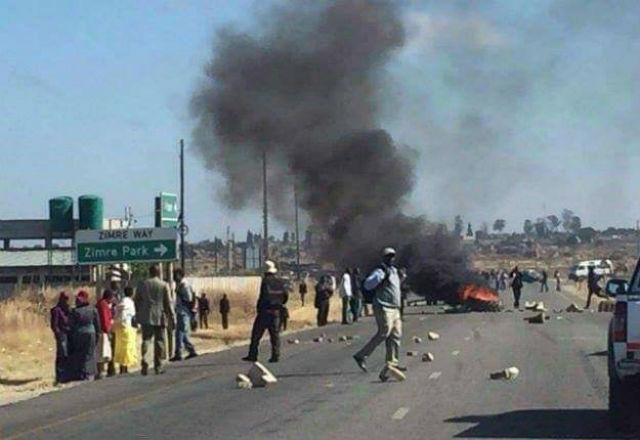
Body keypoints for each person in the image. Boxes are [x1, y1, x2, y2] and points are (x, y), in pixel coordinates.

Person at [353, 247, 405, 381]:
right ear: (384, 258)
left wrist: (402, 278)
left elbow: (394, 288)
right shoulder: (381, 271)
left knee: (396, 335)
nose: (391, 259)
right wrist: (379, 278)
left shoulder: (394, 271)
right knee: (384, 331)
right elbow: (368, 285)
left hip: (395, 308)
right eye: (388, 256)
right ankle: (361, 355)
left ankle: (391, 365)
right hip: (383, 306)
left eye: (393, 256)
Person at [243, 260, 288, 363]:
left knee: (256, 335)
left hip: (265, 312)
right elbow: (285, 296)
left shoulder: (265, 282)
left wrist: (259, 308)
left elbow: (263, 297)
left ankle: (252, 355)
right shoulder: (280, 282)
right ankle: (275, 355)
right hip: (276, 311)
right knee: (275, 335)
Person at [135, 264, 175, 375]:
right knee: (160, 341)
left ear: (150, 272)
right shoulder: (163, 285)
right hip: (160, 316)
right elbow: (168, 302)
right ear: (158, 273)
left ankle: (145, 361)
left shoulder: (142, 284)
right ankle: (158, 365)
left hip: (146, 316)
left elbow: (137, 300)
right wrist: (172, 316)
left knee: (146, 339)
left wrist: (138, 313)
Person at [68, 290, 101, 381]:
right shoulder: (93, 310)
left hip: (79, 334)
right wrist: (97, 336)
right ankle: (90, 373)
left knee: (80, 354)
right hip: (91, 333)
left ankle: (82, 373)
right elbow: (97, 325)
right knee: (90, 354)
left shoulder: (75, 311)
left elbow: (71, 325)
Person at [171, 268, 198, 362]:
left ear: (180, 275)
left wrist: (191, 313)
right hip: (181, 310)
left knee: (180, 332)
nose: (173, 277)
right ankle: (191, 350)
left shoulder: (184, 285)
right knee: (182, 333)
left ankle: (178, 353)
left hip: (184, 311)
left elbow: (189, 299)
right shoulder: (180, 284)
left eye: (175, 274)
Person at [113, 286, 137, 374]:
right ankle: (125, 367)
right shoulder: (130, 303)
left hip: (119, 327)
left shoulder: (121, 301)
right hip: (127, 326)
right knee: (127, 347)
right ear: (132, 293)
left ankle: (122, 366)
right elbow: (132, 314)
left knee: (120, 347)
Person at [50, 292, 71, 384]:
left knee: (67, 355)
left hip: (68, 333)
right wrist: (58, 334)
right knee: (61, 355)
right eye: (65, 299)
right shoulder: (56, 310)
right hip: (62, 334)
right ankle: (59, 377)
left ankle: (67, 375)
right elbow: (54, 325)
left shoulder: (67, 309)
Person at [95, 290, 115, 379]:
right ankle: (100, 372)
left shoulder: (102, 304)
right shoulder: (103, 305)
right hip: (102, 331)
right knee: (101, 352)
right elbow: (104, 319)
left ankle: (101, 371)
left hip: (102, 330)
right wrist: (108, 331)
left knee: (103, 352)